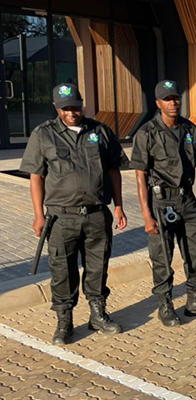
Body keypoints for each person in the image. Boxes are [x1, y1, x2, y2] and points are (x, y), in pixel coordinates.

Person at [20, 83, 128, 345]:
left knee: (98, 267)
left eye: (75, 107)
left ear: (82, 105)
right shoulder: (43, 134)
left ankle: (98, 314)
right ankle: (64, 321)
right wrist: (38, 215)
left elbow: (113, 170)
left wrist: (118, 205)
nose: (71, 113)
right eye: (65, 108)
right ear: (56, 108)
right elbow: (36, 176)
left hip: (96, 215)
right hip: (61, 217)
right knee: (62, 271)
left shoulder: (100, 131)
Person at [130, 80, 196, 327]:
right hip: (161, 202)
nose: (173, 103)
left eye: (176, 98)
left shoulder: (190, 129)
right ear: (158, 103)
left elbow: (195, 158)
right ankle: (165, 304)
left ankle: (195, 300)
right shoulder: (147, 133)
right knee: (162, 257)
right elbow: (140, 176)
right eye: (167, 99)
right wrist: (146, 215)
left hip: (187, 199)